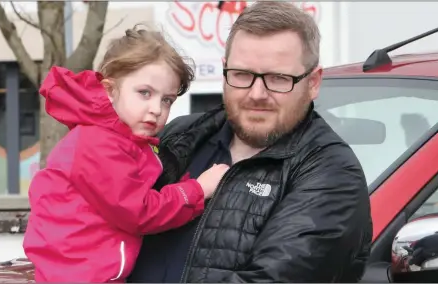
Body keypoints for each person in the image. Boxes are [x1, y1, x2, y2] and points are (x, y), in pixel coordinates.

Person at [128, 2, 373, 283]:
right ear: (225, 71)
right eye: (242, 75)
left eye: (278, 78)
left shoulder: (331, 173)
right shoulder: (179, 136)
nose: (257, 93)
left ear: (313, 82)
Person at [22, 25, 230, 283]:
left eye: (167, 100)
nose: (156, 108)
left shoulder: (125, 141)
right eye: (145, 93)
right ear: (110, 91)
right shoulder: (98, 143)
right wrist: (197, 189)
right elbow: (139, 211)